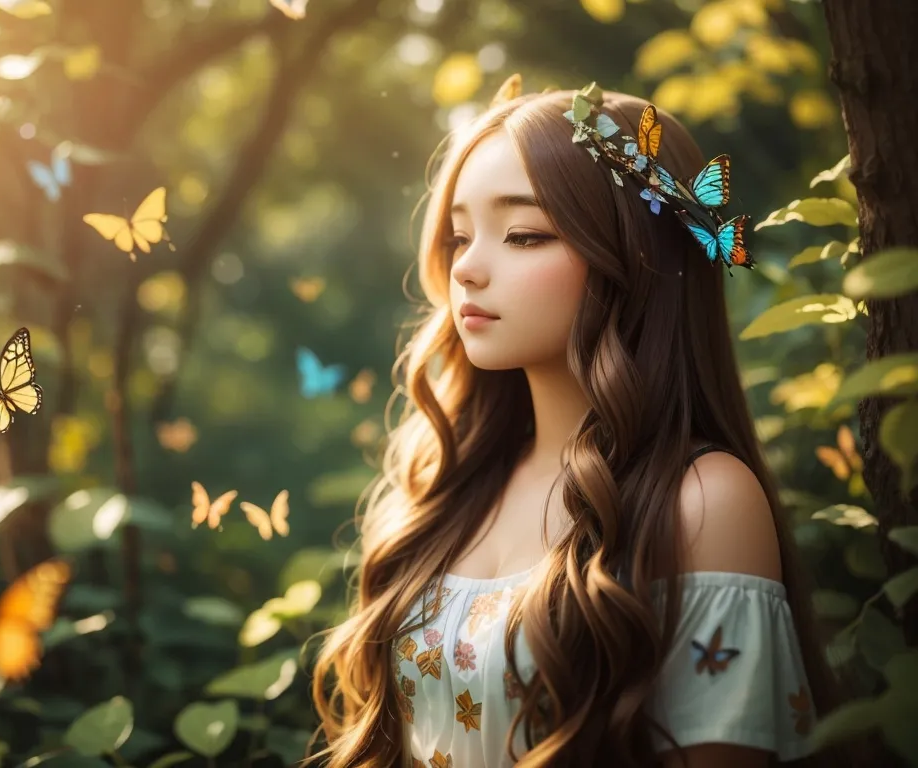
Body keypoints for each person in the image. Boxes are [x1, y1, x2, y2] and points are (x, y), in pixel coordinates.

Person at [307, 78, 850, 768]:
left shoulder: (701, 501)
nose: (467, 268)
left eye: (524, 234)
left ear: (635, 258)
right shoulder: (450, 489)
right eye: (459, 236)